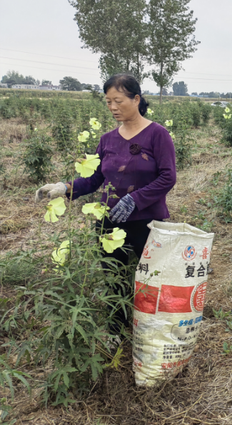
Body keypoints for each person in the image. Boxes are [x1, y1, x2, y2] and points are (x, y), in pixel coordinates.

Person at [35, 73, 177, 333]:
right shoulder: (108, 139)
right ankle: (119, 330)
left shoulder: (157, 134)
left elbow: (168, 177)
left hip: (147, 221)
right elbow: (94, 179)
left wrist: (135, 199)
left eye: (118, 101)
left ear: (136, 99)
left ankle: (155, 328)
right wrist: (64, 188)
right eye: (108, 101)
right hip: (110, 221)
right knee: (115, 279)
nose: (112, 107)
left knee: (152, 277)